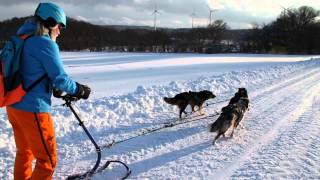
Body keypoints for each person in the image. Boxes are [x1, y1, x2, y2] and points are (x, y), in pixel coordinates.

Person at [6, 2, 90, 180]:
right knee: (48, 161)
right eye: (60, 26)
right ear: (50, 23)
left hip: (14, 105)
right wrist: (80, 90)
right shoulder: (44, 43)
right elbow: (60, 78)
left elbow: (31, 72)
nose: (60, 30)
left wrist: (52, 87)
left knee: (24, 153)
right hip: (33, 109)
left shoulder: (22, 38)